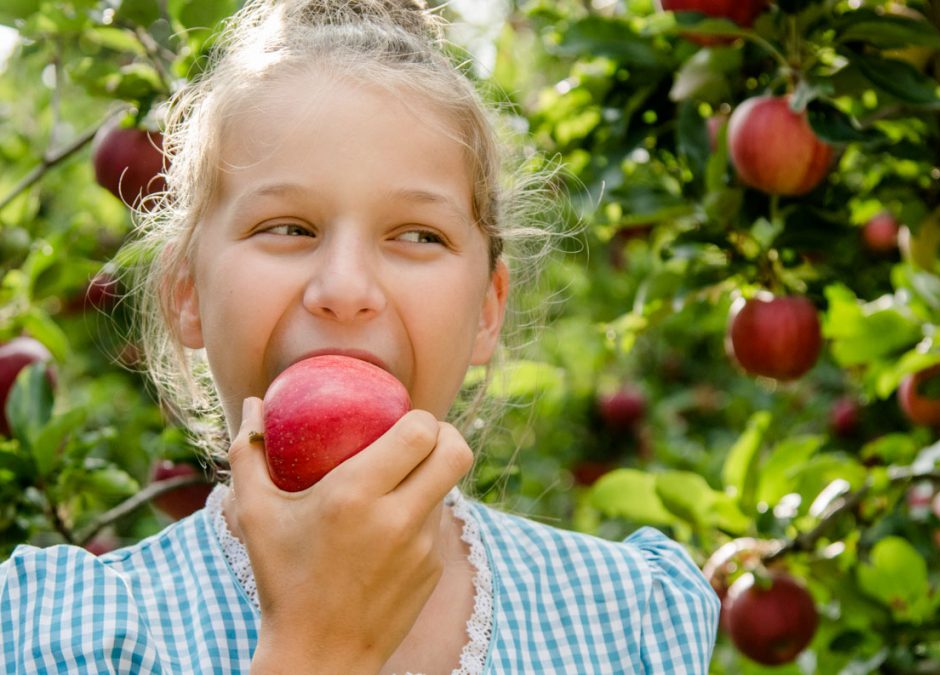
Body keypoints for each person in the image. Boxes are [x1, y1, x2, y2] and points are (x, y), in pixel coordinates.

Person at [0, 1, 720, 672]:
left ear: (487, 310)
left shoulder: (628, 620)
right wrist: (317, 645)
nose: (345, 289)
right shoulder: (75, 631)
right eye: (287, 228)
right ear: (186, 292)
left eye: (417, 234)